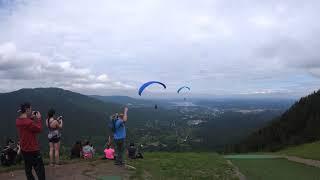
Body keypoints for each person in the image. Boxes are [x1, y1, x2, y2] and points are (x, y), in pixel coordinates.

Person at [16, 102, 45, 180]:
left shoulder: (18, 120)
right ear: (27, 109)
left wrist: (31, 118)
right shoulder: (28, 122)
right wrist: (38, 119)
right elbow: (39, 129)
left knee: (28, 170)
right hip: (33, 150)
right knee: (40, 170)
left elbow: (26, 125)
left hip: (24, 149)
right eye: (30, 109)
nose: (31, 111)